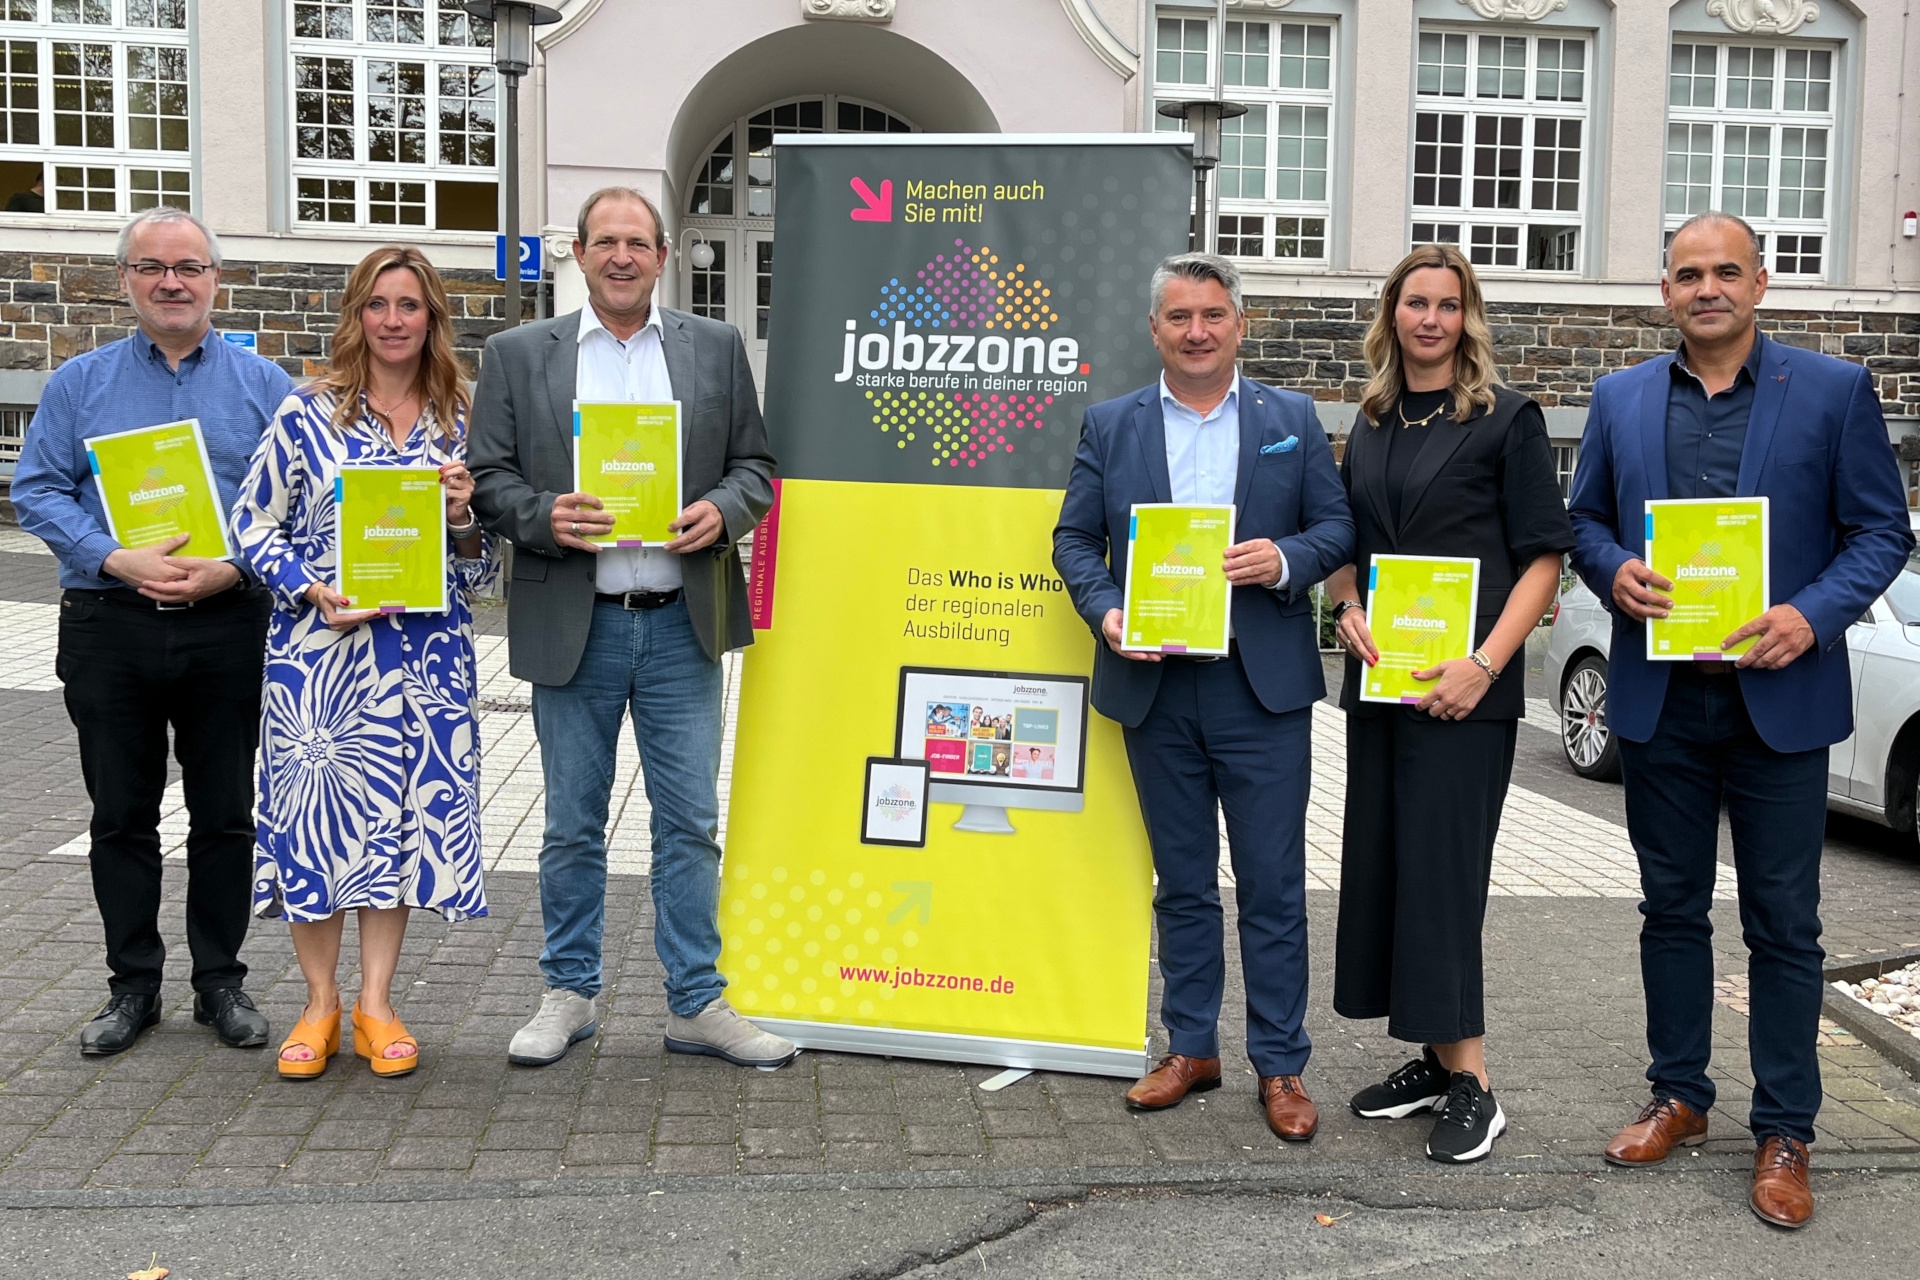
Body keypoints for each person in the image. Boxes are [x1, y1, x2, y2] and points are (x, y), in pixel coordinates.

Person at [1568, 212, 1913, 1228]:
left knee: (1784, 923)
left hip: (1780, 696)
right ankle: (1680, 1093)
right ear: (1663, 290)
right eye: (1687, 273)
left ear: (1761, 282)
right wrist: (1611, 567)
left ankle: (1787, 1126)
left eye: (1726, 270)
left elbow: (1879, 527)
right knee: (1668, 907)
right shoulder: (1621, 397)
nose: (1706, 287)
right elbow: (1583, 518)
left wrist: (1811, 615)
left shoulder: (1834, 391)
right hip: (1662, 696)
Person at [469, 188, 793, 1070]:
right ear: (579, 252)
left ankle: (695, 1001)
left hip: (681, 621)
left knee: (689, 820)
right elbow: (487, 478)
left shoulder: (716, 348)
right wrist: (544, 515)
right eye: (604, 242)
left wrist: (722, 513)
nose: (620, 256)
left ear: (665, 253)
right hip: (578, 620)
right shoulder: (517, 354)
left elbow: (757, 467)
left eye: (637, 243)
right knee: (571, 823)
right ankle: (568, 994)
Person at [1053, 252, 1354, 1139]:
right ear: (1155, 330)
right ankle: (1191, 1045)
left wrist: (1287, 561)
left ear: (1239, 323)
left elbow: (1337, 526)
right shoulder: (1112, 425)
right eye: (1179, 317)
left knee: (1272, 884)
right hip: (1155, 685)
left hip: (1258, 690)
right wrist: (1107, 613)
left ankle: (1282, 1064)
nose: (1196, 332)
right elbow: (1073, 540)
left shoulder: (1289, 418)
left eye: (1213, 316)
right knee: (1182, 882)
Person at [12, 206, 291, 1055]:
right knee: (120, 815)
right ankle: (132, 986)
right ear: (126, 279)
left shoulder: (265, 386)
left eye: (190, 267)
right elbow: (37, 490)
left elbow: (294, 504)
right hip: (112, 623)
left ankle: (220, 983)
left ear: (215, 279)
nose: (172, 281)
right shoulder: (78, 383)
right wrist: (111, 557)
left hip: (225, 624)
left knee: (226, 814)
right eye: (153, 267)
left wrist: (237, 565)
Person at [1320, 245, 1574, 1163]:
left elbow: (1545, 556)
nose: (1431, 319)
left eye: (1449, 304)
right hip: (1386, 688)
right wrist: (1345, 603)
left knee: (1443, 877)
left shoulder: (1509, 421)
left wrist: (1483, 665)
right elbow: (1347, 536)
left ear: (1469, 319)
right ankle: (1431, 1061)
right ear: (1391, 314)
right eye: (1415, 302)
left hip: (1468, 697)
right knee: (1389, 868)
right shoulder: (1376, 418)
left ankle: (1475, 1083)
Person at [230, 245, 498, 1080]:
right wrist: (309, 588)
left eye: (409, 306)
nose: (392, 320)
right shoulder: (307, 413)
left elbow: (482, 573)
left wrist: (463, 517)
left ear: (432, 319)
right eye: (378, 304)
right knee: (317, 826)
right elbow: (248, 524)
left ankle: (376, 1003)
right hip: (322, 660)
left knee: (396, 826)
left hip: (423, 662)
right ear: (357, 313)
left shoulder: (460, 417)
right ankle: (319, 1002)